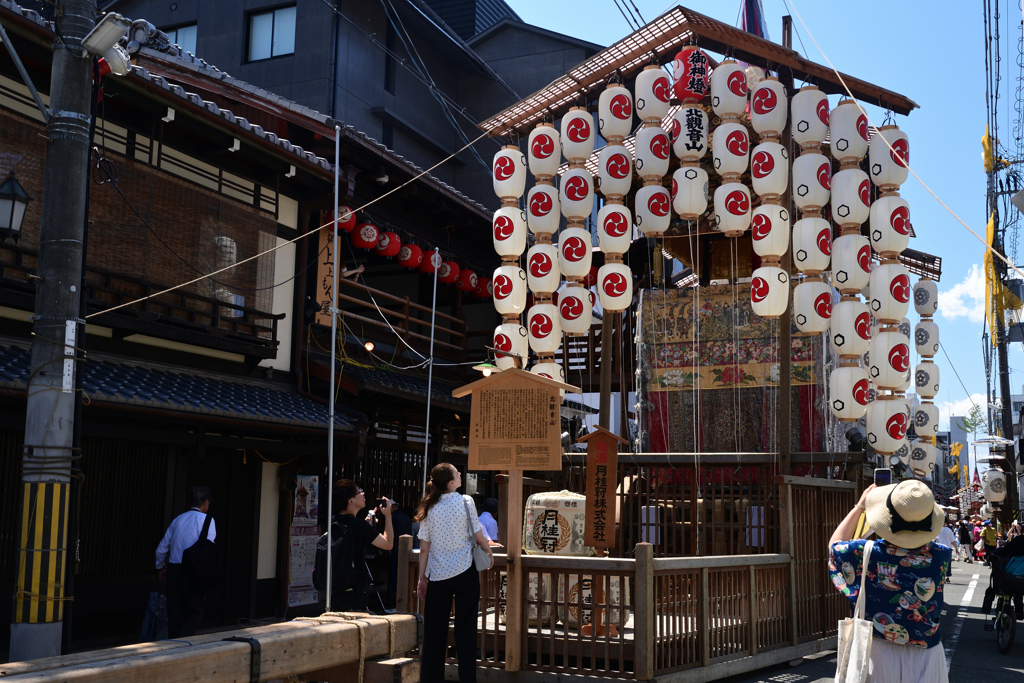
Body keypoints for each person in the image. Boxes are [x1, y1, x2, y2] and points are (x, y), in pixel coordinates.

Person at [829, 481, 951, 682]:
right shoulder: (942, 555)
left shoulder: (867, 552)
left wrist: (860, 507)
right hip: (926, 651)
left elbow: (835, 545)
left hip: (877, 650)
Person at [416, 463, 493, 683]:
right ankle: (467, 679)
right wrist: (488, 551)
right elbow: (478, 534)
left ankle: (430, 679)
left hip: (437, 575)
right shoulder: (465, 501)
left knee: (434, 632)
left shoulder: (430, 506)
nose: (460, 474)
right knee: (465, 629)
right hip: (464, 571)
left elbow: (424, 548)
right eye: (457, 473)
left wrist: (422, 578)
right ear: (451, 482)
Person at [155, 486, 216, 638]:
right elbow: (209, 548)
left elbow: (161, 549)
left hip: (174, 570)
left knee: (175, 614)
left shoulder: (178, 520)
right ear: (206, 503)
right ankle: (180, 644)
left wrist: (161, 567)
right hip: (194, 571)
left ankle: (174, 646)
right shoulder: (207, 520)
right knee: (195, 613)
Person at [330, 479, 394, 611]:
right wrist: (388, 516)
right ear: (350, 500)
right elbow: (388, 544)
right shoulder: (359, 526)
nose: (363, 494)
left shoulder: (332, 521)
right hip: (355, 584)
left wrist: (365, 525)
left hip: (334, 582)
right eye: (360, 491)